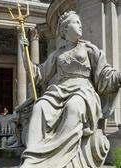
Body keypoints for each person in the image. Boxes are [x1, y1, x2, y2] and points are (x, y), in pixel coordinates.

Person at [20, 11, 121, 168]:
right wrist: (24, 53)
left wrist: (118, 77)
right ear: (65, 30)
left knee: (73, 107)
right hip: (59, 91)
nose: (80, 26)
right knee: (39, 107)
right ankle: (32, 157)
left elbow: (104, 74)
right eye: (76, 23)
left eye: (80, 23)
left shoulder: (89, 49)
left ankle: (62, 158)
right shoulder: (57, 54)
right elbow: (39, 74)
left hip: (83, 91)